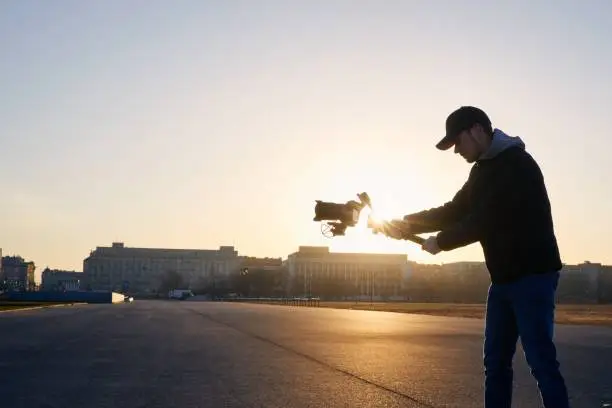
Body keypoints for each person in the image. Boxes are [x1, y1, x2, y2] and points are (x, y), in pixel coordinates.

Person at [375, 106, 570, 408]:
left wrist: (440, 242)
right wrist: (403, 223)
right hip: (503, 280)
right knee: (495, 363)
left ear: (477, 130)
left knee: (540, 362)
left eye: (458, 142)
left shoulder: (516, 164)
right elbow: (454, 211)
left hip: (533, 276)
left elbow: (485, 220)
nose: (456, 151)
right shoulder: (481, 171)